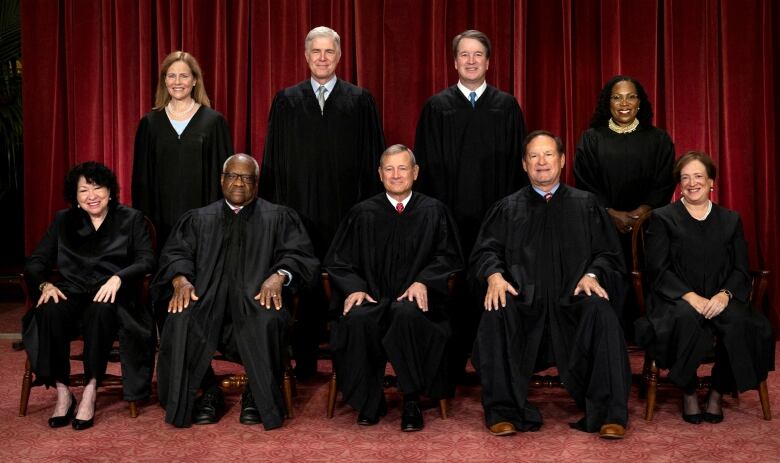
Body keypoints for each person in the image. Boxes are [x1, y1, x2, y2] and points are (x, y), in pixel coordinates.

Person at [471, 131, 631, 439]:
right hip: (523, 300)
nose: (541, 162)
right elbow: (485, 250)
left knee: (601, 312)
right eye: (533, 156)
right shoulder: (507, 208)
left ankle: (609, 413)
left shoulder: (586, 205)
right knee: (496, 311)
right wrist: (494, 275)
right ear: (524, 164)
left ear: (561, 160)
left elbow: (608, 254)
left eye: (548, 155)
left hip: (573, 299)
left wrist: (592, 275)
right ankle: (503, 411)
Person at [153, 154, 320, 430]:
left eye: (247, 177)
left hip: (256, 301)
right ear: (222, 180)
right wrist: (181, 279)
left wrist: (279, 276)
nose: (239, 183)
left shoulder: (278, 217)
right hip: (206, 302)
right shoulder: (198, 219)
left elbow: (300, 256)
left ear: (256, 183)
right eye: (233, 176)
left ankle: (257, 394)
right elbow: (175, 254)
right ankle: (207, 392)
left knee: (269, 319)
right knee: (179, 318)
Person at [260, 26, 385, 378]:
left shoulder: (360, 101)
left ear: (340, 56)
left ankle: (349, 365)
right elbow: (274, 160)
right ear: (305, 56)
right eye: (316, 51)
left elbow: (373, 158)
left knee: (347, 282)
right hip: (299, 211)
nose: (322, 57)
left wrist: (369, 213)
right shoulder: (286, 101)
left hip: (347, 211)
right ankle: (304, 362)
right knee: (304, 281)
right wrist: (277, 215)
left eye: (329, 51)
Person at [413, 29, 527, 380]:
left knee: (491, 284)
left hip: (495, 220)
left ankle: (492, 363)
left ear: (489, 61)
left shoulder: (506, 107)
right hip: (449, 218)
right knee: (451, 288)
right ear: (455, 61)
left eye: (478, 54)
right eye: (465, 54)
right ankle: (447, 364)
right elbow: (426, 169)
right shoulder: (437, 107)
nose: (472, 60)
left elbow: (517, 168)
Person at [325, 145, 464, 431]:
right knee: (359, 319)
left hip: (416, 303)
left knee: (407, 315)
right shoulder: (362, 213)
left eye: (402, 168)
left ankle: (411, 399)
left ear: (415, 172)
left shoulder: (434, 211)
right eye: (389, 169)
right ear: (380, 174)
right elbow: (338, 262)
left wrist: (424, 280)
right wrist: (354, 288)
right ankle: (369, 401)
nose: (396, 175)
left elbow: (449, 257)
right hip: (373, 297)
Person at [635, 152, 774, 424]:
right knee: (685, 320)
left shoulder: (730, 219)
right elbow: (657, 270)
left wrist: (724, 295)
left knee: (742, 324)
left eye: (698, 176)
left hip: (721, 297)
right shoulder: (663, 219)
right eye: (685, 178)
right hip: (676, 298)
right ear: (678, 184)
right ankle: (687, 390)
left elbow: (740, 269)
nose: (691, 183)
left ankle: (717, 390)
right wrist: (690, 297)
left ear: (711, 182)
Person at [23, 161, 155, 431]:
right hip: (72, 291)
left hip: (112, 295)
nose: (92, 196)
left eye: (98, 188)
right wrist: (44, 286)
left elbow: (147, 260)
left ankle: (91, 389)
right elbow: (36, 262)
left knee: (100, 309)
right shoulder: (63, 220)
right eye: (84, 190)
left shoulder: (131, 219)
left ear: (110, 191)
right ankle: (63, 391)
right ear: (75, 196)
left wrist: (120, 277)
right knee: (49, 309)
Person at [133, 51, 233, 250]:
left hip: (204, 225)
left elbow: (224, 177)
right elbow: (141, 180)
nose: (177, 82)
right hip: (161, 224)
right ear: (164, 81)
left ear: (195, 80)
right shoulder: (150, 123)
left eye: (184, 76)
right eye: (171, 76)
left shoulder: (213, 122)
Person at [574, 75, 675, 235]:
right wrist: (610, 213)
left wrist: (643, 211)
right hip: (602, 227)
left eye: (631, 97)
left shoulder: (659, 139)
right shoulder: (591, 139)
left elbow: (665, 180)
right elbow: (585, 181)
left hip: (648, 227)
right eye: (617, 98)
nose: (624, 103)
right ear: (608, 103)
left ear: (639, 102)